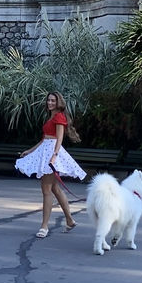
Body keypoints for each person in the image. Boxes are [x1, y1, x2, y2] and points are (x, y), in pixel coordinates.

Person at [15, 91, 86, 238]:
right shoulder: (51, 117)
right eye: (48, 100)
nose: (50, 103)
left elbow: (59, 139)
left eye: (53, 100)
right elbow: (44, 139)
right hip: (45, 150)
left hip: (51, 153)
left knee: (46, 189)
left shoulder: (59, 116)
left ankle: (44, 226)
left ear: (58, 102)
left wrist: (54, 156)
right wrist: (30, 151)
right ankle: (70, 220)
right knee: (54, 188)